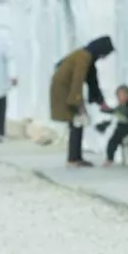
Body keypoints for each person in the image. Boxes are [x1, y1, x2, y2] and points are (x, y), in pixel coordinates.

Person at [49, 35, 114, 167]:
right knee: (76, 123)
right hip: (65, 90)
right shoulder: (83, 57)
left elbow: (92, 80)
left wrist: (101, 102)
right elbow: (78, 80)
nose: (103, 57)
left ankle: (75, 157)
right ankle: (73, 159)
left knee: (77, 123)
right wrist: (78, 102)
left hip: (67, 89)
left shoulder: (87, 56)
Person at [97, 84, 128, 166]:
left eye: (121, 95)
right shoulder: (120, 106)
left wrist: (112, 112)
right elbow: (115, 112)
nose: (119, 98)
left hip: (126, 127)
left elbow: (123, 114)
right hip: (121, 126)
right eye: (118, 95)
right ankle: (109, 158)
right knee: (112, 142)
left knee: (113, 141)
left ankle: (110, 159)